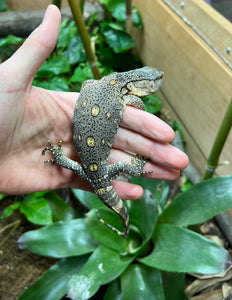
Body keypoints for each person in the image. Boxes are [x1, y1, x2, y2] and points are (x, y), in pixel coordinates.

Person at [0, 5, 188, 199]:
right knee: (116, 166)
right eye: (152, 80)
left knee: (107, 168)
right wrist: (58, 156)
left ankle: (125, 196)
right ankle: (128, 193)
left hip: (86, 162)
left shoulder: (113, 80)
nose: (158, 79)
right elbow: (135, 105)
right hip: (83, 165)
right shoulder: (124, 94)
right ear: (139, 83)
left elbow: (88, 83)